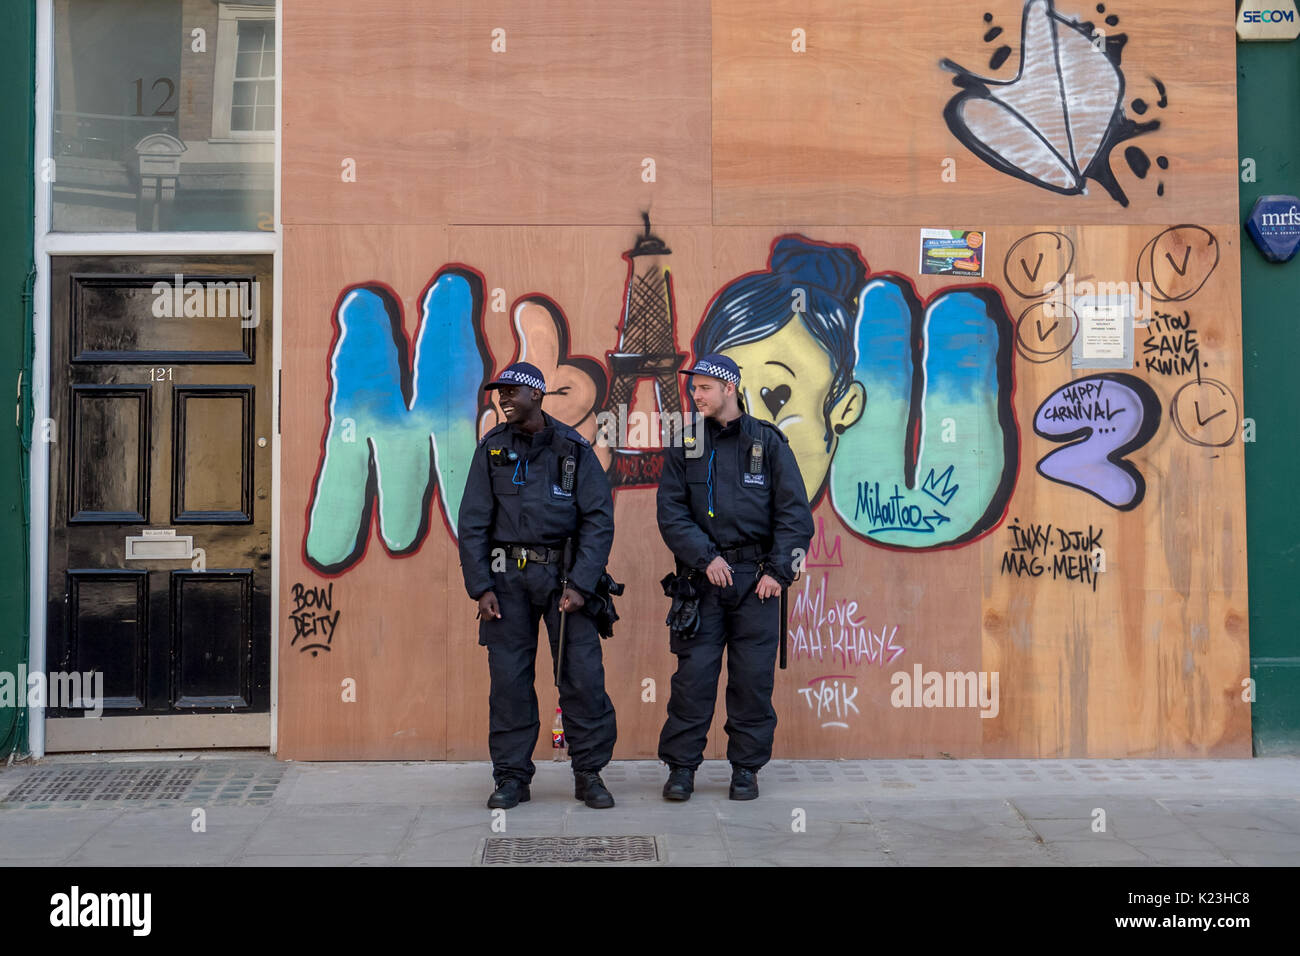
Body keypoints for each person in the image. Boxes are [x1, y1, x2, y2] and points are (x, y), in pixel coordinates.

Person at [457, 362, 618, 809]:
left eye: (512, 392)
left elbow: (598, 521)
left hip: (565, 582)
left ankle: (589, 774)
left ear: (537, 395)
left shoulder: (574, 449)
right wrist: (480, 587)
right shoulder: (490, 450)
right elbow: (472, 523)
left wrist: (583, 585)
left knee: (582, 678)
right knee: (509, 682)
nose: (504, 399)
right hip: (506, 584)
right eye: (499, 393)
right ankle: (511, 778)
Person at [656, 353, 815, 800]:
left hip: (756, 584)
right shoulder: (685, 443)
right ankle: (682, 768)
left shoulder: (768, 443)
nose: (696, 395)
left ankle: (745, 769)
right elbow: (670, 514)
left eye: (704, 387)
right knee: (694, 679)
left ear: (729, 387)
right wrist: (705, 558)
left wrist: (779, 573)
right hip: (701, 581)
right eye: (694, 388)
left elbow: (796, 517)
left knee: (751, 682)